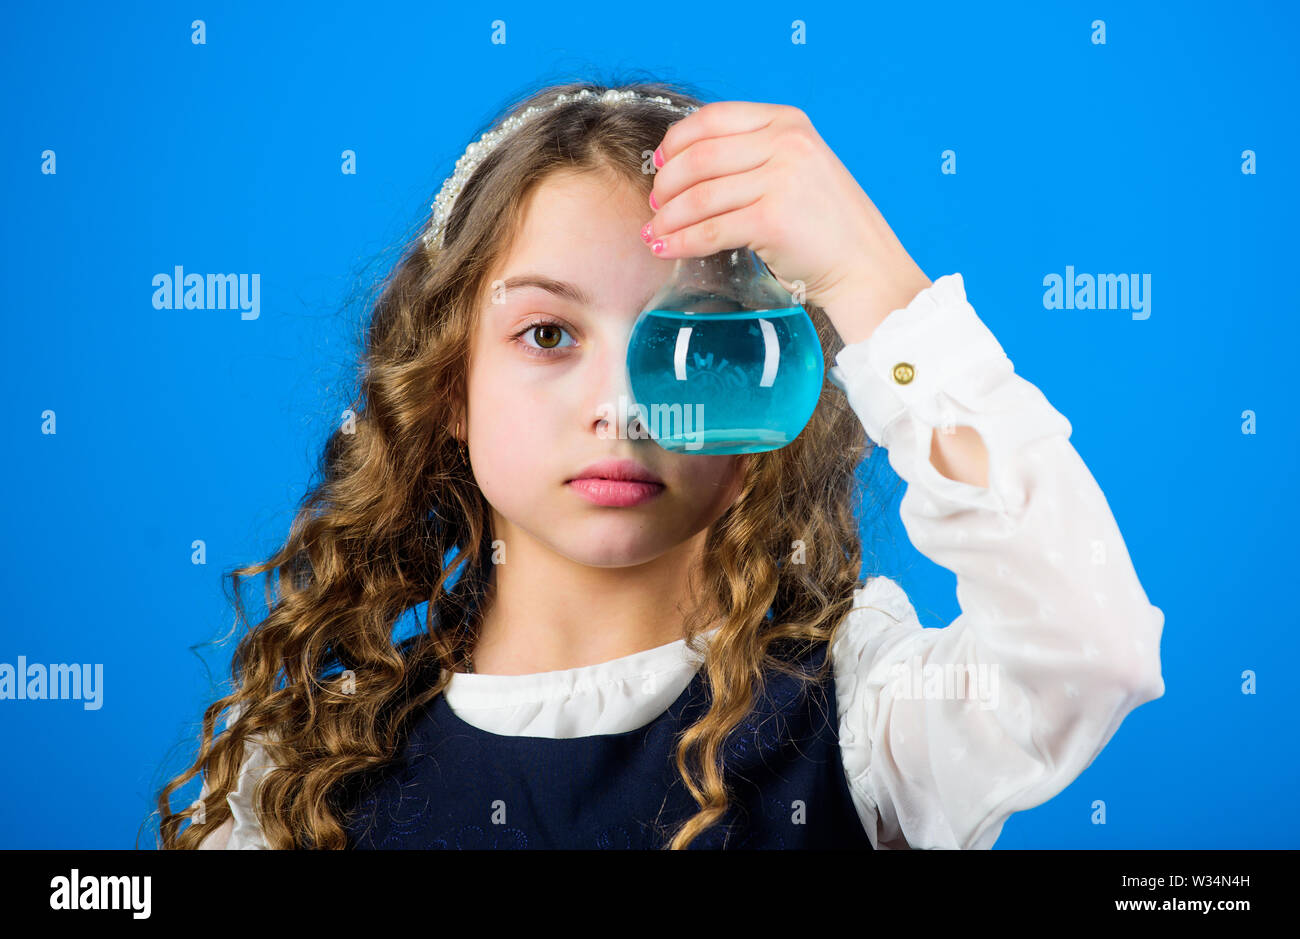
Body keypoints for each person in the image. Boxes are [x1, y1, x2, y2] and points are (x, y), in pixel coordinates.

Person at [155, 79, 1165, 850]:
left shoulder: (865, 719)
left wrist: (872, 280)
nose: (626, 409)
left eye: (693, 345)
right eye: (548, 335)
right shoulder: (300, 773)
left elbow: (1088, 655)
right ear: (449, 388)